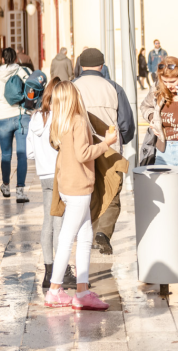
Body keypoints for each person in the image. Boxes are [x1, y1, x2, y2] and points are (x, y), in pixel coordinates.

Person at [44, 81, 118, 311]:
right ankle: (55, 290)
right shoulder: (77, 120)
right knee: (69, 238)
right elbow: (83, 153)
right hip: (79, 187)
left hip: (68, 185)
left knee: (85, 237)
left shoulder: (59, 121)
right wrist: (106, 143)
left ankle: (82, 291)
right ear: (73, 97)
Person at [72, 47, 135, 255]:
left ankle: (87, 234)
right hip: (110, 148)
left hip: (81, 148)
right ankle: (103, 233)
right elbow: (127, 124)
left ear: (81, 65)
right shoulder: (113, 87)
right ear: (102, 65)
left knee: (87, 193)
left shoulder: (72, 87)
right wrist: (120, 140)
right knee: (112, 192)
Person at [27, 79, 74, 292]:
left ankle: (48, 271)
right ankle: (61, 272)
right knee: (59, 222)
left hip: (43, 174)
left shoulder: (35, 117)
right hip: (59, 172)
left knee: (48, 221)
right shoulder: (60, 117)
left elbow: (28, 153)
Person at [0, 47, 31, 203]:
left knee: (6, 154)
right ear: (16, 58)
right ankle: (20, 190)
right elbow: (32, 92)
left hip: (3, 117)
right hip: (21, 116)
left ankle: (6, 186)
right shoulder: (22, 71)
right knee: (22, 154)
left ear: (3, 59)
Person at [140, 55, 178, 166]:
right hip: (163, 150)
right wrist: (152, 118)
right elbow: (145, 106)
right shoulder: (157, 88)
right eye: (165, 81)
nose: (168, 86)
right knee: (164, 183)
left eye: (172, 81)